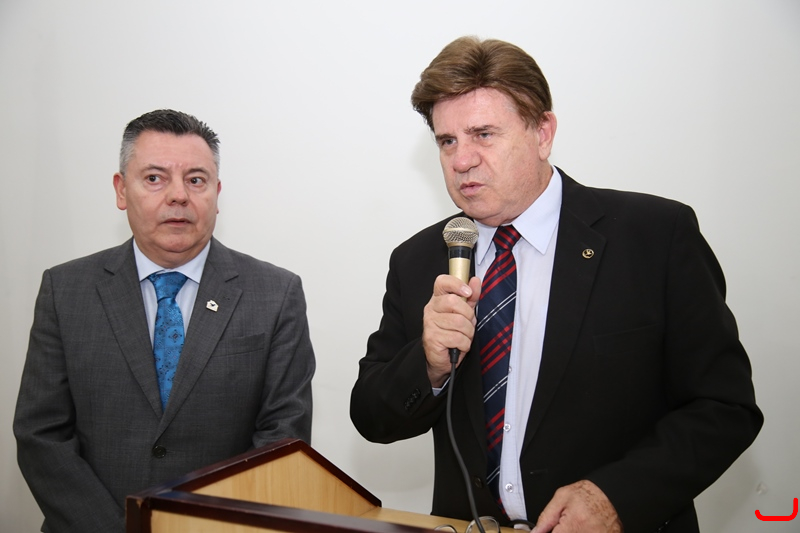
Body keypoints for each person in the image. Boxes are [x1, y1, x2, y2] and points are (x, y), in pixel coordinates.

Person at [350, 37, 762, 533]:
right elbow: (372, 418)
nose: (461, 161)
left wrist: (617, 498)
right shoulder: (420, 260)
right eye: (447, 141)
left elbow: (725, 408)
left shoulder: (654, 237)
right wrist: (429, 363)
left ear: (543, 133)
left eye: (483, 134)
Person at [13, 109, 316, 532]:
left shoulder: (276, 294)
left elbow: (282, 440)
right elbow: (41, 434)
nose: (178, 196)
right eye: (155, 178)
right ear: (122, 190)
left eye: (196, 180)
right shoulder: (65, 290)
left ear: (216, 193)